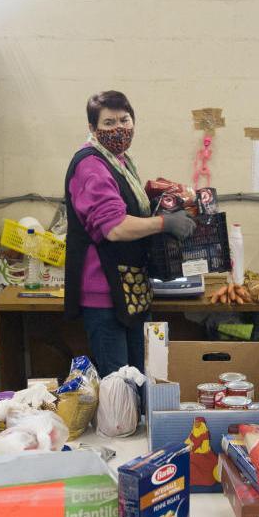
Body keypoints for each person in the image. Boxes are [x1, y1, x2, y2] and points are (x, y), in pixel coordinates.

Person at [63, 91, 195, 376]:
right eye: (108, 123)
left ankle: (136, 422)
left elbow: (121, 203)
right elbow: (114, 226)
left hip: (130, 288)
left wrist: (150, 197)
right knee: (119, 384)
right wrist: (164, 224)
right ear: (92, 128)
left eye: (124, 119)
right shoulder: (91, 166)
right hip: (104, 291)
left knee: (139, 375)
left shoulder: (118, 160)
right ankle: (121, 423)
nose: (119, 128)